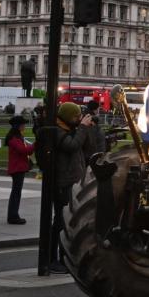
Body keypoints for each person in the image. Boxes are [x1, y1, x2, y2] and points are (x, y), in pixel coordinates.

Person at [46, 102, 89, 274]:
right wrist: (83, 128)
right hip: (63, 183)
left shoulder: (68, 129)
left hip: (71, 181)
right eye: (76, 116)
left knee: (67, 222)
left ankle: (64, 257)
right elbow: (72, 146)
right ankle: (52, 259)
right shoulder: (58, 131)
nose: (79, 119)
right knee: (60, 222)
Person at [5, 115, 36, 224]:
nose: (24, 126)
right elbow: (23, 150)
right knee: (16, 193)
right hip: (17, 168)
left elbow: (26, 151)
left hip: (18, 167)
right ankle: (13, 216)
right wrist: (35, 144)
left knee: (16, 192)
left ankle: (13, 215)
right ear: (18, 126)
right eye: (23, 124)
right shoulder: (14, 138)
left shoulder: (16, 137)